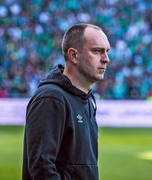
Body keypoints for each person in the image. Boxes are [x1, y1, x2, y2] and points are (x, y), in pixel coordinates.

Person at [22, 23, 111, 180]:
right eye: (97, 51)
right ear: (74, 55)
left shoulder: (87, 100)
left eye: (107, 52)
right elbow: (42, 169)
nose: (106, 59)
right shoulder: (51, 98)